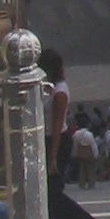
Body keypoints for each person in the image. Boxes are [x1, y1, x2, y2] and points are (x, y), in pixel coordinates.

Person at [39, 48, 70, 177]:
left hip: (57, 140)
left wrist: (53, 157)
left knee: (54, 188)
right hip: (47, 138)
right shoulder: (49, 87)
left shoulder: (59, 93)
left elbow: (57, 126)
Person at [70, 111, 99, 189]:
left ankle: (81, 184)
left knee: (82, 170)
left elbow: (75, 145)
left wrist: (75, 154)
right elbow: (93, 146)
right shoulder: (89, 134)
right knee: (90, 170)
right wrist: (95, 155)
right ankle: (91, 184)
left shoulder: (76, 134)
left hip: (80, 154)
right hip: (89, 155)